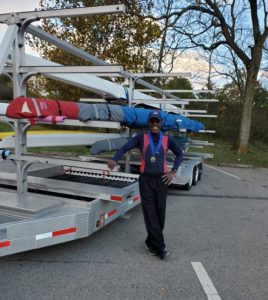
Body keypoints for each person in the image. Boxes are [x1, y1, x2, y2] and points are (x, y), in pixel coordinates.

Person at [107, 111, 183, 260]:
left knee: (160, 214)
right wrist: (115, 159)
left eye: (157, 121)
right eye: (152, 122)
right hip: (146, 180)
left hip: (162, 180)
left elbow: (180, 154)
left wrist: (173, 172)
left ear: (161, 123)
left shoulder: (168, 139)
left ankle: (150, 242)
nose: (154, 124)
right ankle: (160, 247)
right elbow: (124, 148)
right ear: (148, 123)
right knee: (150, 213)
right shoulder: (141, 137)